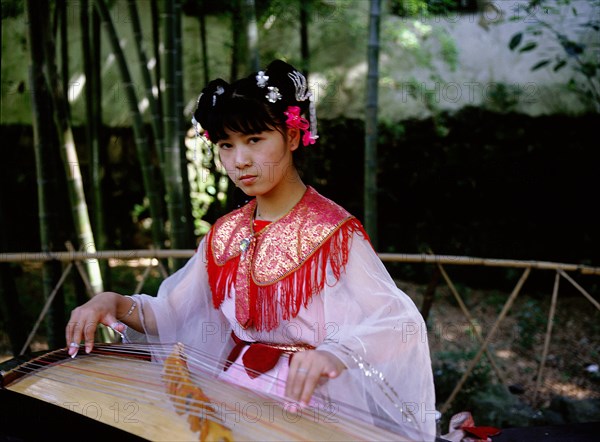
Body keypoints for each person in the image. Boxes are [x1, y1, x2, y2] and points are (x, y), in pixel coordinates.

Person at [66, 59, 436, 440]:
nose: (239, 160)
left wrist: (333, 354)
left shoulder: (332, 231)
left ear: (293, 137)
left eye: (254, 140)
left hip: (312, 405)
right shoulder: (224, 234)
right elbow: (173, 314)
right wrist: (113, 302)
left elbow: (398, 323)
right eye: (226, 145)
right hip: (232, 391)